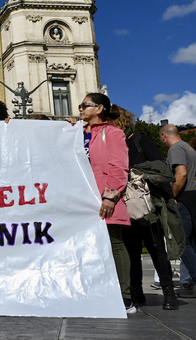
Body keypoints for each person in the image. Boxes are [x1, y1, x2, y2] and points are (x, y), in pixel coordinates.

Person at [68, 93, 133, 313]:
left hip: (104, 197)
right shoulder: (75, 133)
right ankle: (94, 292)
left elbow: (119, 167)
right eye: (80, 105)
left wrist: (110, 196)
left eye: (85, 105)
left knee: (114, 244)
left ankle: (125, 297)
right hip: (81, 200)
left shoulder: (113, 134)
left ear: (100, 108)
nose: (81, 109)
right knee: (86, 247)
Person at [113, 106, 179, 309]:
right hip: (126, 207)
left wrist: (139, 174)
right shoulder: (114, 145)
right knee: (131, 251)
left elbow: (161, 166)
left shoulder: (139, 140)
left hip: (148, 206)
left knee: (156, 249)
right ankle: (136, 292)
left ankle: (169, 294)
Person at [160, 124, 196, 297]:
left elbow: (181, 173)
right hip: (192, 197)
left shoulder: (176, 149)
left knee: (182, 243)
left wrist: (172, 196)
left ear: (164, 136)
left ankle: (195, 281)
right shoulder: (189, 148)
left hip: (183, 199)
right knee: (192, 243)